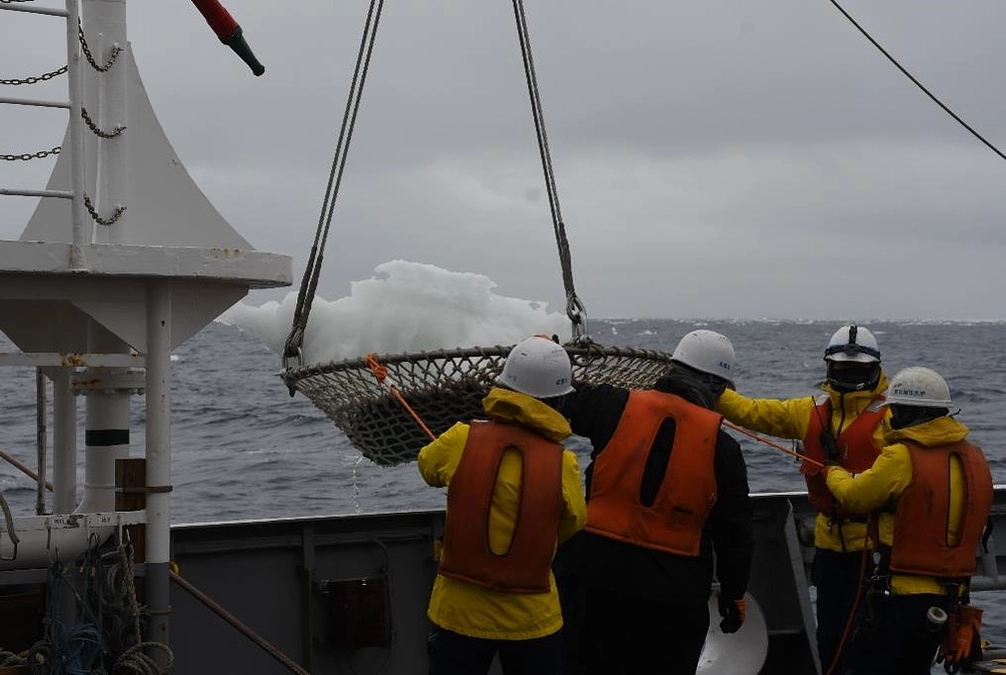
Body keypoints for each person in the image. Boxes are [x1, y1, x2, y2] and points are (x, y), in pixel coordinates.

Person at [558, 329, 754, 675]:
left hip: (592, 580)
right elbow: (734, 534)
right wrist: (733, 593)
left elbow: (555, 398)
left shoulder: (611, 405)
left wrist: (549, 357)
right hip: (673, 597)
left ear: (671, 369)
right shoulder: (724, 450)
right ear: (718, 388)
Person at [715, 324, 889, 673]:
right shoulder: (807, 411)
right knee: (831, 639)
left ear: (875, 370)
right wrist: (711, 389)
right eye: (842, 370)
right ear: (829, 369)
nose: (849, 376)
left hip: (875, 549)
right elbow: (752, 412)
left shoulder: (891, 419)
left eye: (856, 370)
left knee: (870, 641)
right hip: (828, 547)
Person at [418, 335, 587, 675]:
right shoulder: (563, 463)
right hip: (532, 619)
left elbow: (427, 467)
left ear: (505, 386)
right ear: (557, 401)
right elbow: (574, 523)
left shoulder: (461, 438)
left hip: (458, 613)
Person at [824, 366, 993, 675]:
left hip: (901, 595)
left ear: (905, 412)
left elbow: (854, 496)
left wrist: (832, 470)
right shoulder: (974, 456)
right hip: (952, 596)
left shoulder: (901, 456)